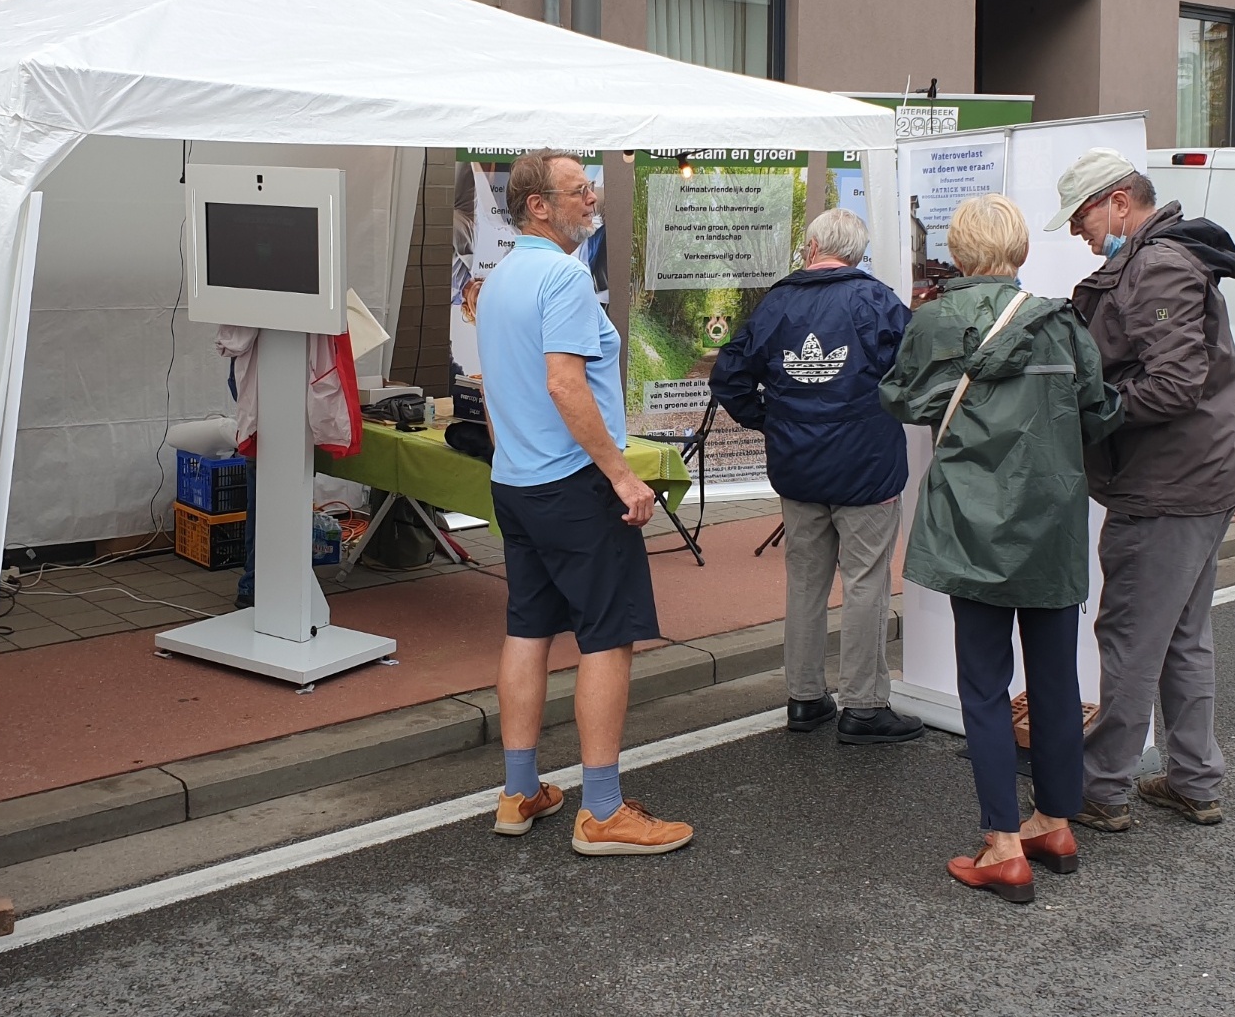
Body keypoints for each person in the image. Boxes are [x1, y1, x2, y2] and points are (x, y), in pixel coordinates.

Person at [880, 194, 1121, 902]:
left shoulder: (935, 319)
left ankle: (1002, 843)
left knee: (983, 687)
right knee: (1054, 682)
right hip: (1051, 521)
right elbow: (1099, 412)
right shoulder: (1061, 320)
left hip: (972, 523)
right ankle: (1054, 820)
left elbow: (901, 398)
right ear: (1018, 249)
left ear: (958, 252)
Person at [476, 148, 694, 856]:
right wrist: (623, 477)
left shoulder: (500, 278)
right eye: (579, 190)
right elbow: (565, 385)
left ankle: (518, 789)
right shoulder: (564, 277)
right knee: (609, 635)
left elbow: (492, 387)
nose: (592, 198)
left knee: (528, 628)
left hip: (517, 482)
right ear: (538, 205)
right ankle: (601, 808)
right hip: (571, 483)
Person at [1045, 148, 1235, 832]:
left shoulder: (1156, 264)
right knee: (1183, 634)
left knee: (1131, 635)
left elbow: (1172, 383)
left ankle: (1101, 787)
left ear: (1119, 202)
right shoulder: (1164, 257)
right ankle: (1194, 777)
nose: (1080, 231)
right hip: (1200, 476)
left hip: (1164, 485)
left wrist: (1095, 407)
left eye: (1081, 217)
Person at [710, 209, 921, 744]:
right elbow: (916, 372)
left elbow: (728, 376)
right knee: (866, 582)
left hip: (798, 467)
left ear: (810, 247)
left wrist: (772, 420)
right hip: (866, 469)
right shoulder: (876, 301)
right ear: (856, 252)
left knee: (805, 582)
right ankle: (865, 706)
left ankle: (804, 697)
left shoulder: (778, 302)